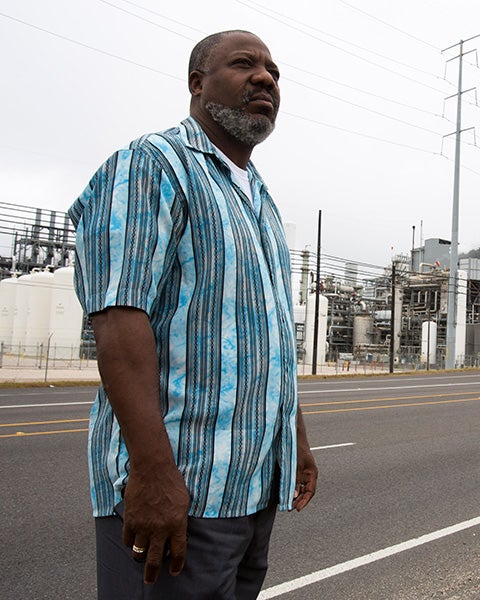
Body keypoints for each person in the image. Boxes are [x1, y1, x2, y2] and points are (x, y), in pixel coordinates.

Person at [69, 30, 318, 599]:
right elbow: (117, 319)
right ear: (197, 84)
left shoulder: (258, 197)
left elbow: (271, 335)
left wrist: (296, 443)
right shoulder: (151, 164)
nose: (266, 78)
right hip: (180, 496)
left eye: (275, 72)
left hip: (251, 494)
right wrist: (154, 475)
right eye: (244, 64)